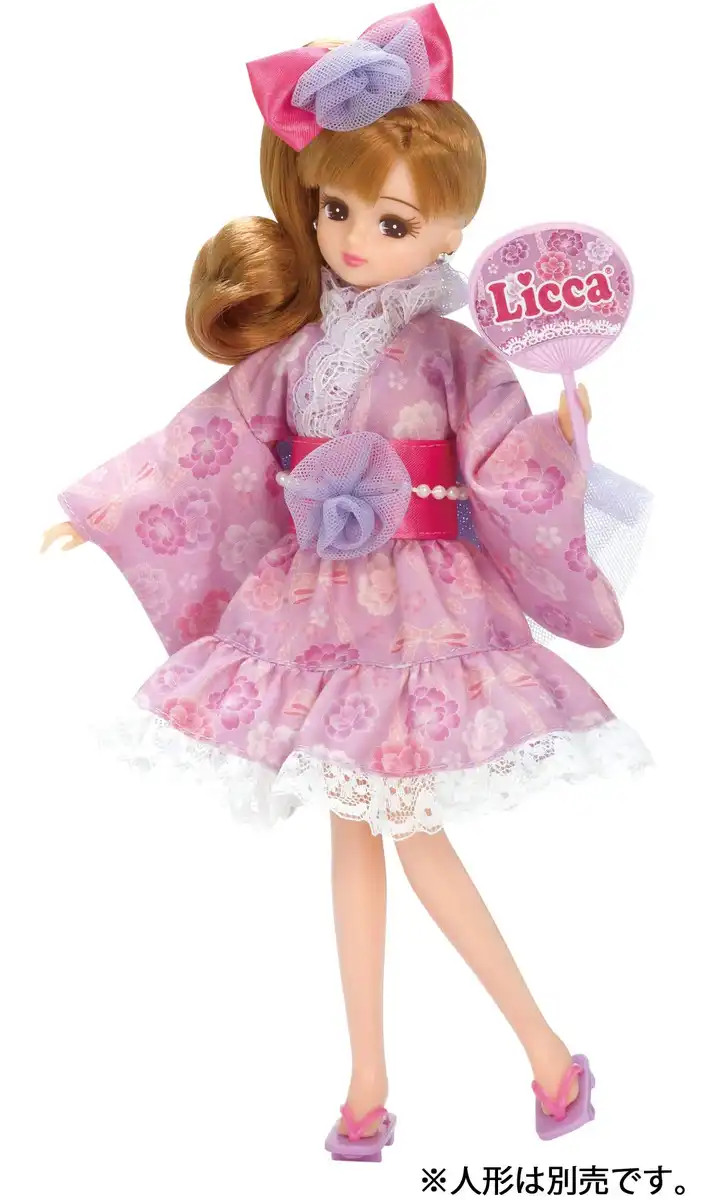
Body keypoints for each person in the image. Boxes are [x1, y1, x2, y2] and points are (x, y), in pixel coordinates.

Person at [42, 4, 649, 1159]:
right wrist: (106, 508)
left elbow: (505, 469)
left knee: (409, 833)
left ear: (451, 230)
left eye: (392, 220)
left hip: (419, 615)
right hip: (314, 608)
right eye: (336, 209)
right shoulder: (297, 350)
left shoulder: (457, 355)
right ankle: (370, 1083)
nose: (355, 239)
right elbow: (208, 444)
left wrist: (560, 440)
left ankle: (543, 1054)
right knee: (354, 838)